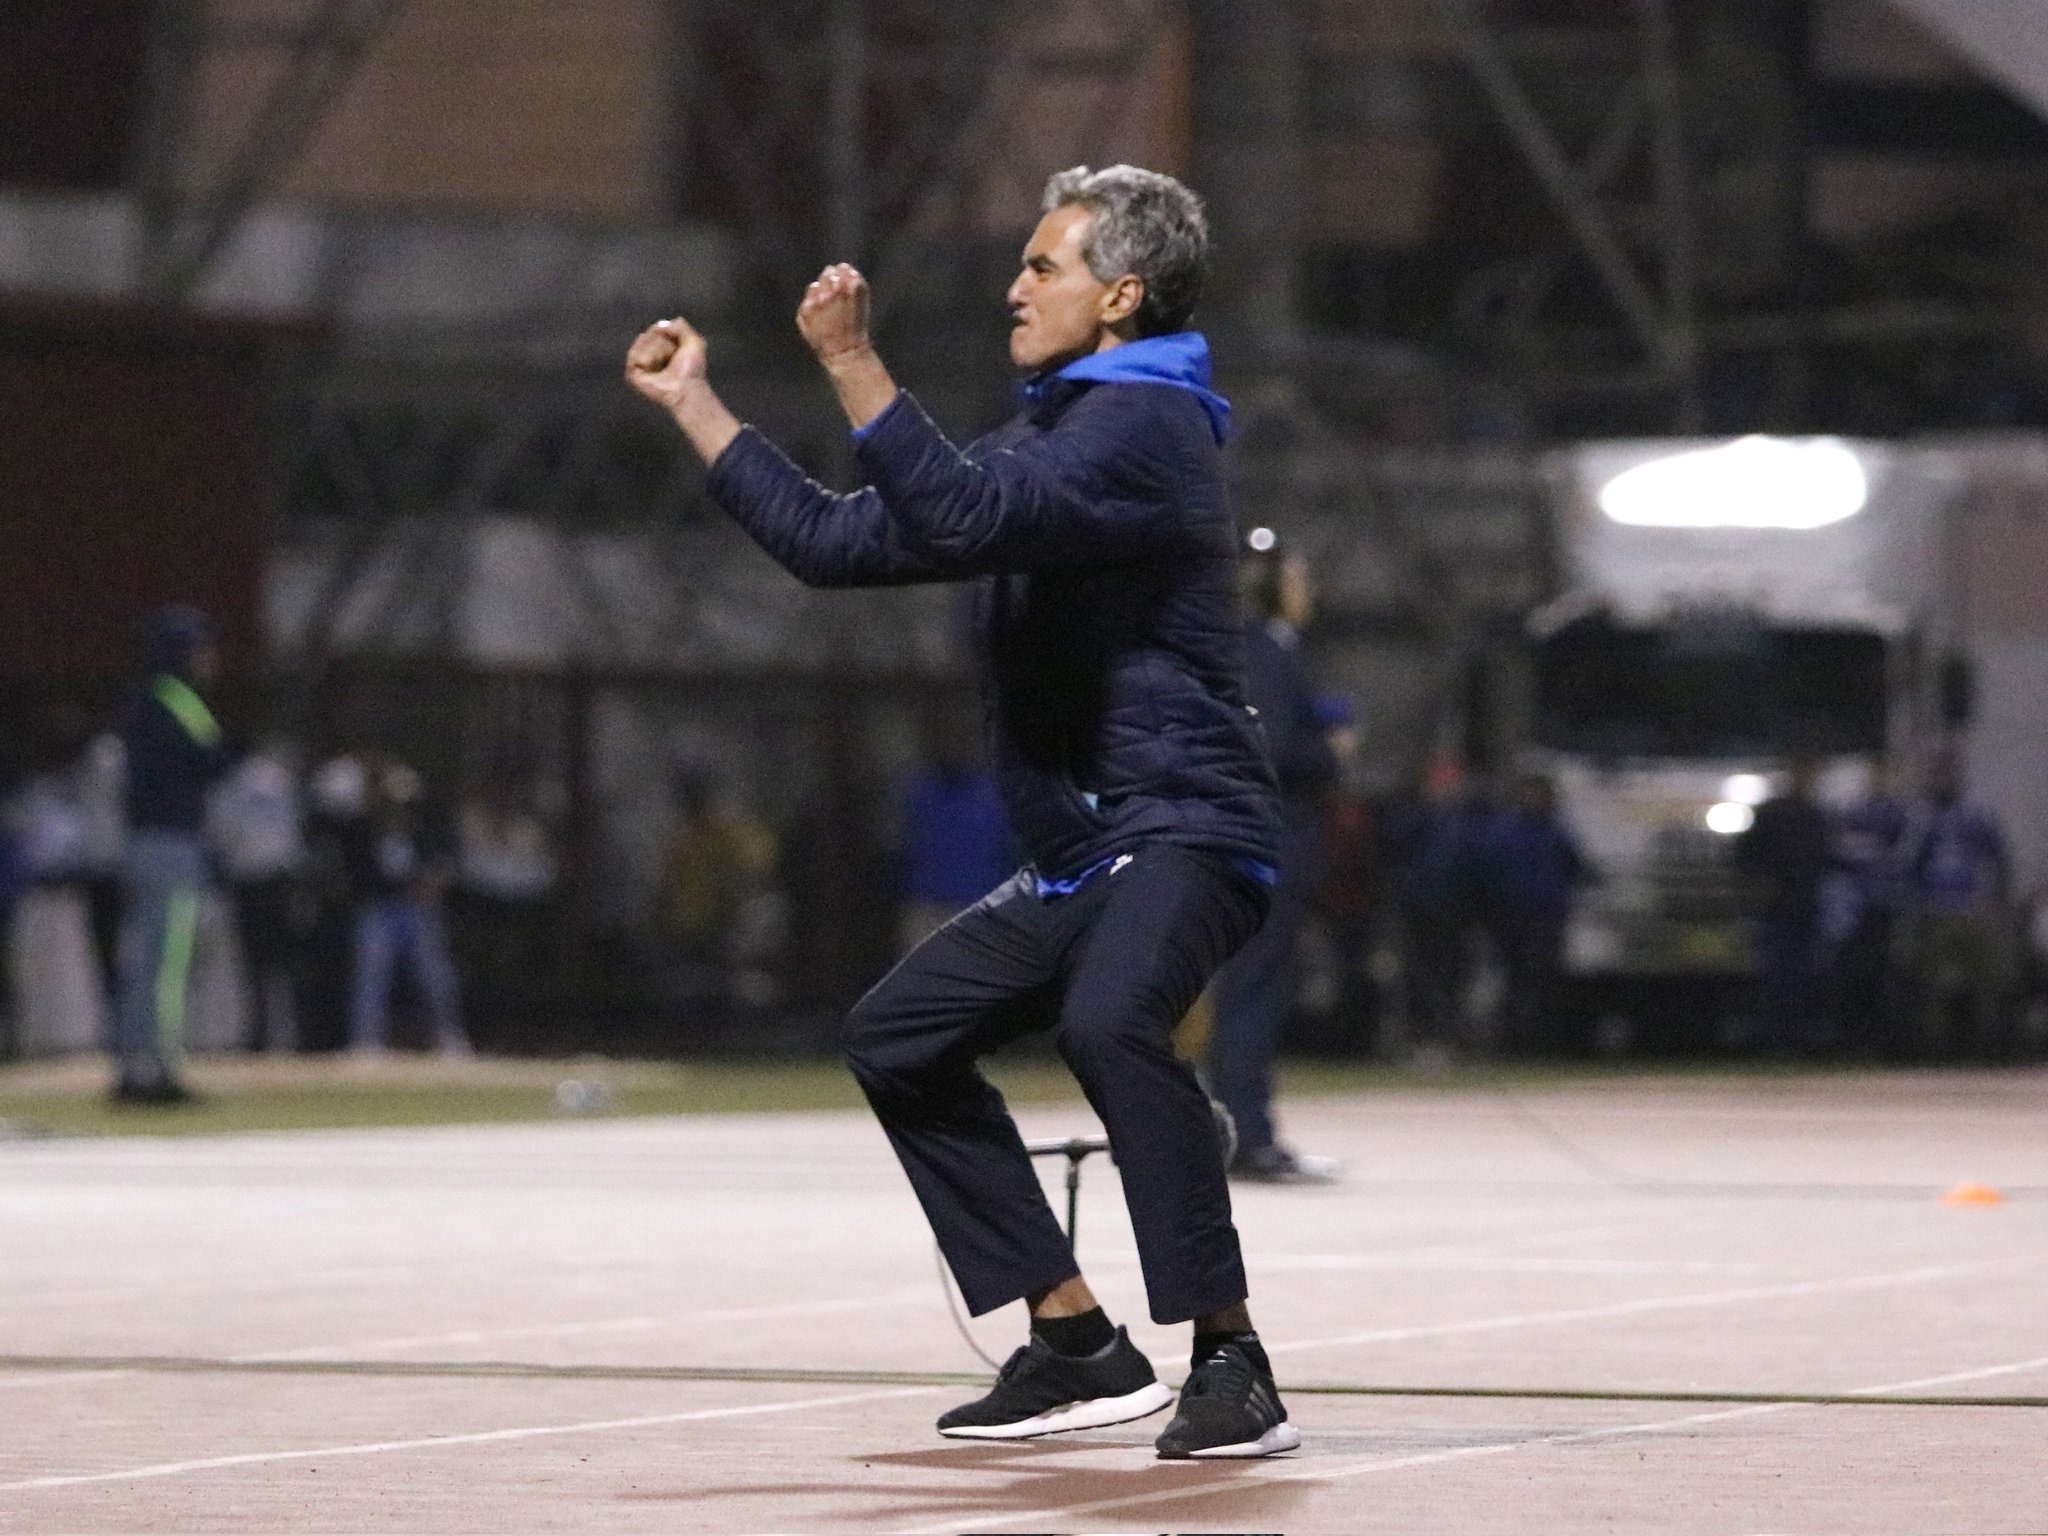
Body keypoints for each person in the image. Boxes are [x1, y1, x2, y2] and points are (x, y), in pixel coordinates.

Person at [626, 163, 1297, 1458]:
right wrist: (696, 405)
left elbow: (963, 507)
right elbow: (837, 542)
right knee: (902, 1036)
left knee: (1111, 1023)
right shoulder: (1054, 433)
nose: (1015, 285)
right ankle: (1076, 1344)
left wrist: (857, 363)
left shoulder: (1146, 428)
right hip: (1085, 849)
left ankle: (1234, 1360)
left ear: (1122, 294)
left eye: (1043, 266)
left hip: (1185, 823)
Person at [1207, 530, 1343, 1182]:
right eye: (1295, 576)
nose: (1305, 588)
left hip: (1257, 839)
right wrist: (1329, 752)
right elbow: (1269, 750)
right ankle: (1245, 1135)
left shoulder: (1265, 650)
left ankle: (1237, 1130)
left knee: (1249, 988)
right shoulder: (1263, 650)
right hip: (1267, 840)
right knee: (1251, 990)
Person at [113, 606, 230, 1103]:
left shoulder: (139, 700)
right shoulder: (180, 700)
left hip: (141, 842)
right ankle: (158, 1071)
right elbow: (215, 758)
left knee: (143, 960)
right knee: (168, 964)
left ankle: (132, 1064)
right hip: (173, 845)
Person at [343, 758, 470, 1056]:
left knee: (436, 976)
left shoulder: (425, 829)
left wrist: (432, 882)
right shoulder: (363, 829)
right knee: (371, 976)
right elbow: (358, 872)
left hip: (419, 909)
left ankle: (449, 1038)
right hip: (378, 909)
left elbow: (443, 862)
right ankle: (365, 1043)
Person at [1896, 752, 2014, 1059]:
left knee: (1985, 981)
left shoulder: (1976, 814)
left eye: (1949, 775)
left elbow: (1998, 858)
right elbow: (1909, 865)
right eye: (1938, 775)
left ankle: (1988, 1050)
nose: (1943, 781)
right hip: (1934, 909)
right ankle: (1937, 1051)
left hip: (1972, 908)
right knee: (1932, 984)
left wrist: (1999, 899)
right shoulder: (1921, 818)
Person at [1475, 773, 1588, 1056]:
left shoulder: (1556, 832)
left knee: (1542, 981)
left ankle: (1539, 1042)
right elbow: (1487, 874)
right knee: (1514, 981)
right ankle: (1511, 1044)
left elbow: (1577, 868)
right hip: (1512, 918)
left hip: (1546, 917)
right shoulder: (1505, 831)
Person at [211, 736, 308, 1053]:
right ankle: (290, 1036)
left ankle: (261, 1036)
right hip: (281, 878)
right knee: (283, 964)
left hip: (250, 879)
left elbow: (223, 832)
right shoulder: (278, 779)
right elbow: (293, 829)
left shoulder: (233, 782)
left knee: (254, 966)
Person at [1734, 757, 1834, 1058]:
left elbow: (1825, 860)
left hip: (1806, 907)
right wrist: (1758, 888)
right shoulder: (1771, 813)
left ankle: (1797, 1041)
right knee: (1776, 976)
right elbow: (1745, 857)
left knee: (1803, 977)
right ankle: (1774, 1041)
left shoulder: (1815, 814)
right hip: (1777, 909)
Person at [897, 715, 1017, 952]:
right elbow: (904, 848)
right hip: (927, 907)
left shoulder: (993, 795)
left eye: (961, 742)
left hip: (980, 907)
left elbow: (1012, 851)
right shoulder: (920, 794)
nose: (955, 750)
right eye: (949, 743)